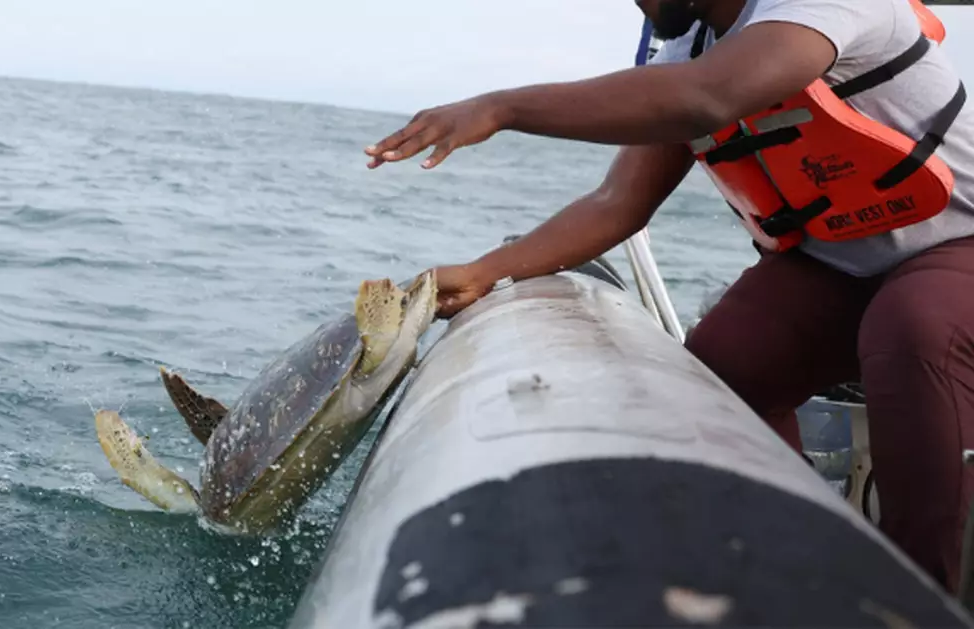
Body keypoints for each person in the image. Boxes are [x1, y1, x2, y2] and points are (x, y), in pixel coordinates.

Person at [363, 0, 974, 595]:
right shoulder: (688, 55)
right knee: (723, 370)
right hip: (843, 263)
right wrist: (482, 272)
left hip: (959, 246)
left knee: (913, 328)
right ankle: (793, 568)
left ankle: (915, 596)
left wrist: (501, 106)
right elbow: (617, 203)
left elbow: (707, 98)